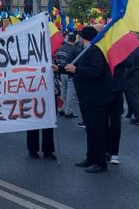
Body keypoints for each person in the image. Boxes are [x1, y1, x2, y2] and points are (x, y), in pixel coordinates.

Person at [64, 26, 111, 173]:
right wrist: (60, 68)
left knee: (97, 131)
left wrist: (76, 70)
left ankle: (100, 162)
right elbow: (76, 68)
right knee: (90, 130)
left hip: (96, 98)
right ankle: (90, 157)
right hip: (87, 97)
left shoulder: (95, 50)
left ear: (82, 37)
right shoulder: (86, 50)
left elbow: (95, 70)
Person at [107, 49, 133, 165]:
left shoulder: (119, 49)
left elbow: (130, 63)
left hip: (117, 90)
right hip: (102, 89)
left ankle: (114, 152)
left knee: (115, 123)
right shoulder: (101, 48)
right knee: (101, 122)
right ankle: (103, 150)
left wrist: (117, 56)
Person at [56, 33, 81, 119]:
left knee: (63, 91)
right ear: (74, 40)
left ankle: (61, 109)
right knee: (70, 93)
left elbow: (57, 60)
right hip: (70, 74)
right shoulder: (75, 50)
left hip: (61, 72)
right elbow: (78, 63)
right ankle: (68, 111)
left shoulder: (61, 48)